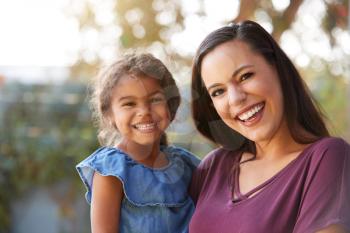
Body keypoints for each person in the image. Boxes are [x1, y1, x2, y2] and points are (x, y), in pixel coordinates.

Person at [189, 20, 350, 233]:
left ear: (278, 70)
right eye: (218, 91)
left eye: (245, 76)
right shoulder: (213, 167)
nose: (235, 99)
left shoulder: (327, 157)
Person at [76, 53, 200, 233]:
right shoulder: (111, 172)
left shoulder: (188, 166)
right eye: (129, 104)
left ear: (171, 105)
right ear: (110, 114)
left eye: (155, 100)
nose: (144, 111)